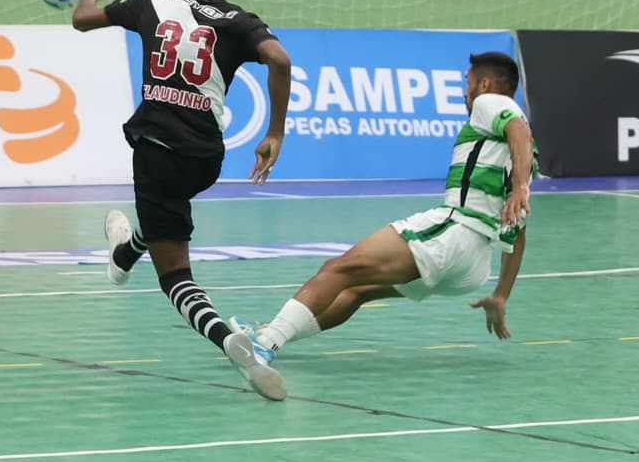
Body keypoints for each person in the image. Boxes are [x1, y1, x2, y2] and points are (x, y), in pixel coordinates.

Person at [229, 51, 537, 400]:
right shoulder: (523, 154)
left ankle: (263, 346)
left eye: (467, 84)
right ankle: (269, 334)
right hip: (474, 265)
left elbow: (516, 126)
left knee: (338, 269)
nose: (465, 94)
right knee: (357, 291)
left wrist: (521, 186)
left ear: (484, 83)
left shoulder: (492, 103)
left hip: (453, 233)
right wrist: (501, 294)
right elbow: (519, 230)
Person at [72, 0, 294, 400]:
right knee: (163, 217)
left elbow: (82, 20)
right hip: (206, 158)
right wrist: (274, 132)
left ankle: (227, 340)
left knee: (175, 276)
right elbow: (280, 59)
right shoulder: (238, 20)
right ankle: (123, 253)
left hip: (156, 151)